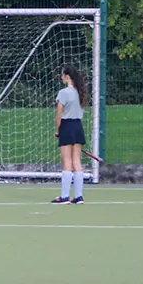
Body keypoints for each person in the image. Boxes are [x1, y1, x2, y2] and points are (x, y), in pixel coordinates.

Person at [53, 65, 88, 204]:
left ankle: (64, 196)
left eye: (62, 75)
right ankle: (79, 196)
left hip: (67, 126)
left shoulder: (63, 93)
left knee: (67, 162)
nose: (61, 77)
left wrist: (57, 130)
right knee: (76, 162)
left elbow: (59, 115)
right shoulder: (80, 92)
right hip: (78, 126)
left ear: (67, 76)